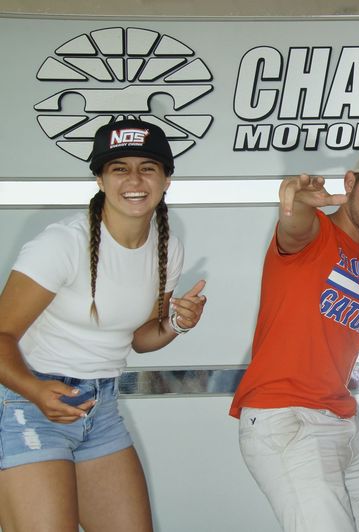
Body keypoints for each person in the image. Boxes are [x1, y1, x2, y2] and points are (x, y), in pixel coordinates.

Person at [0, 118, 207, 532]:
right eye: (119, 168)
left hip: (102, 411)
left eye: (148, 167)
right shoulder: (62, 243)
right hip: (28, 404)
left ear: (167, 179)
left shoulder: (168, 249)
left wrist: (178, 324)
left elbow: (140, 338)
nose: (134, 179)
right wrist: (37, 391)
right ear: (100, 179)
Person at [230, 145, 359, 532]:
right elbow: (294, 227)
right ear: (349, 182)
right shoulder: (315, 233)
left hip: (341, 420)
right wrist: (300, 203)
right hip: (285, 418)